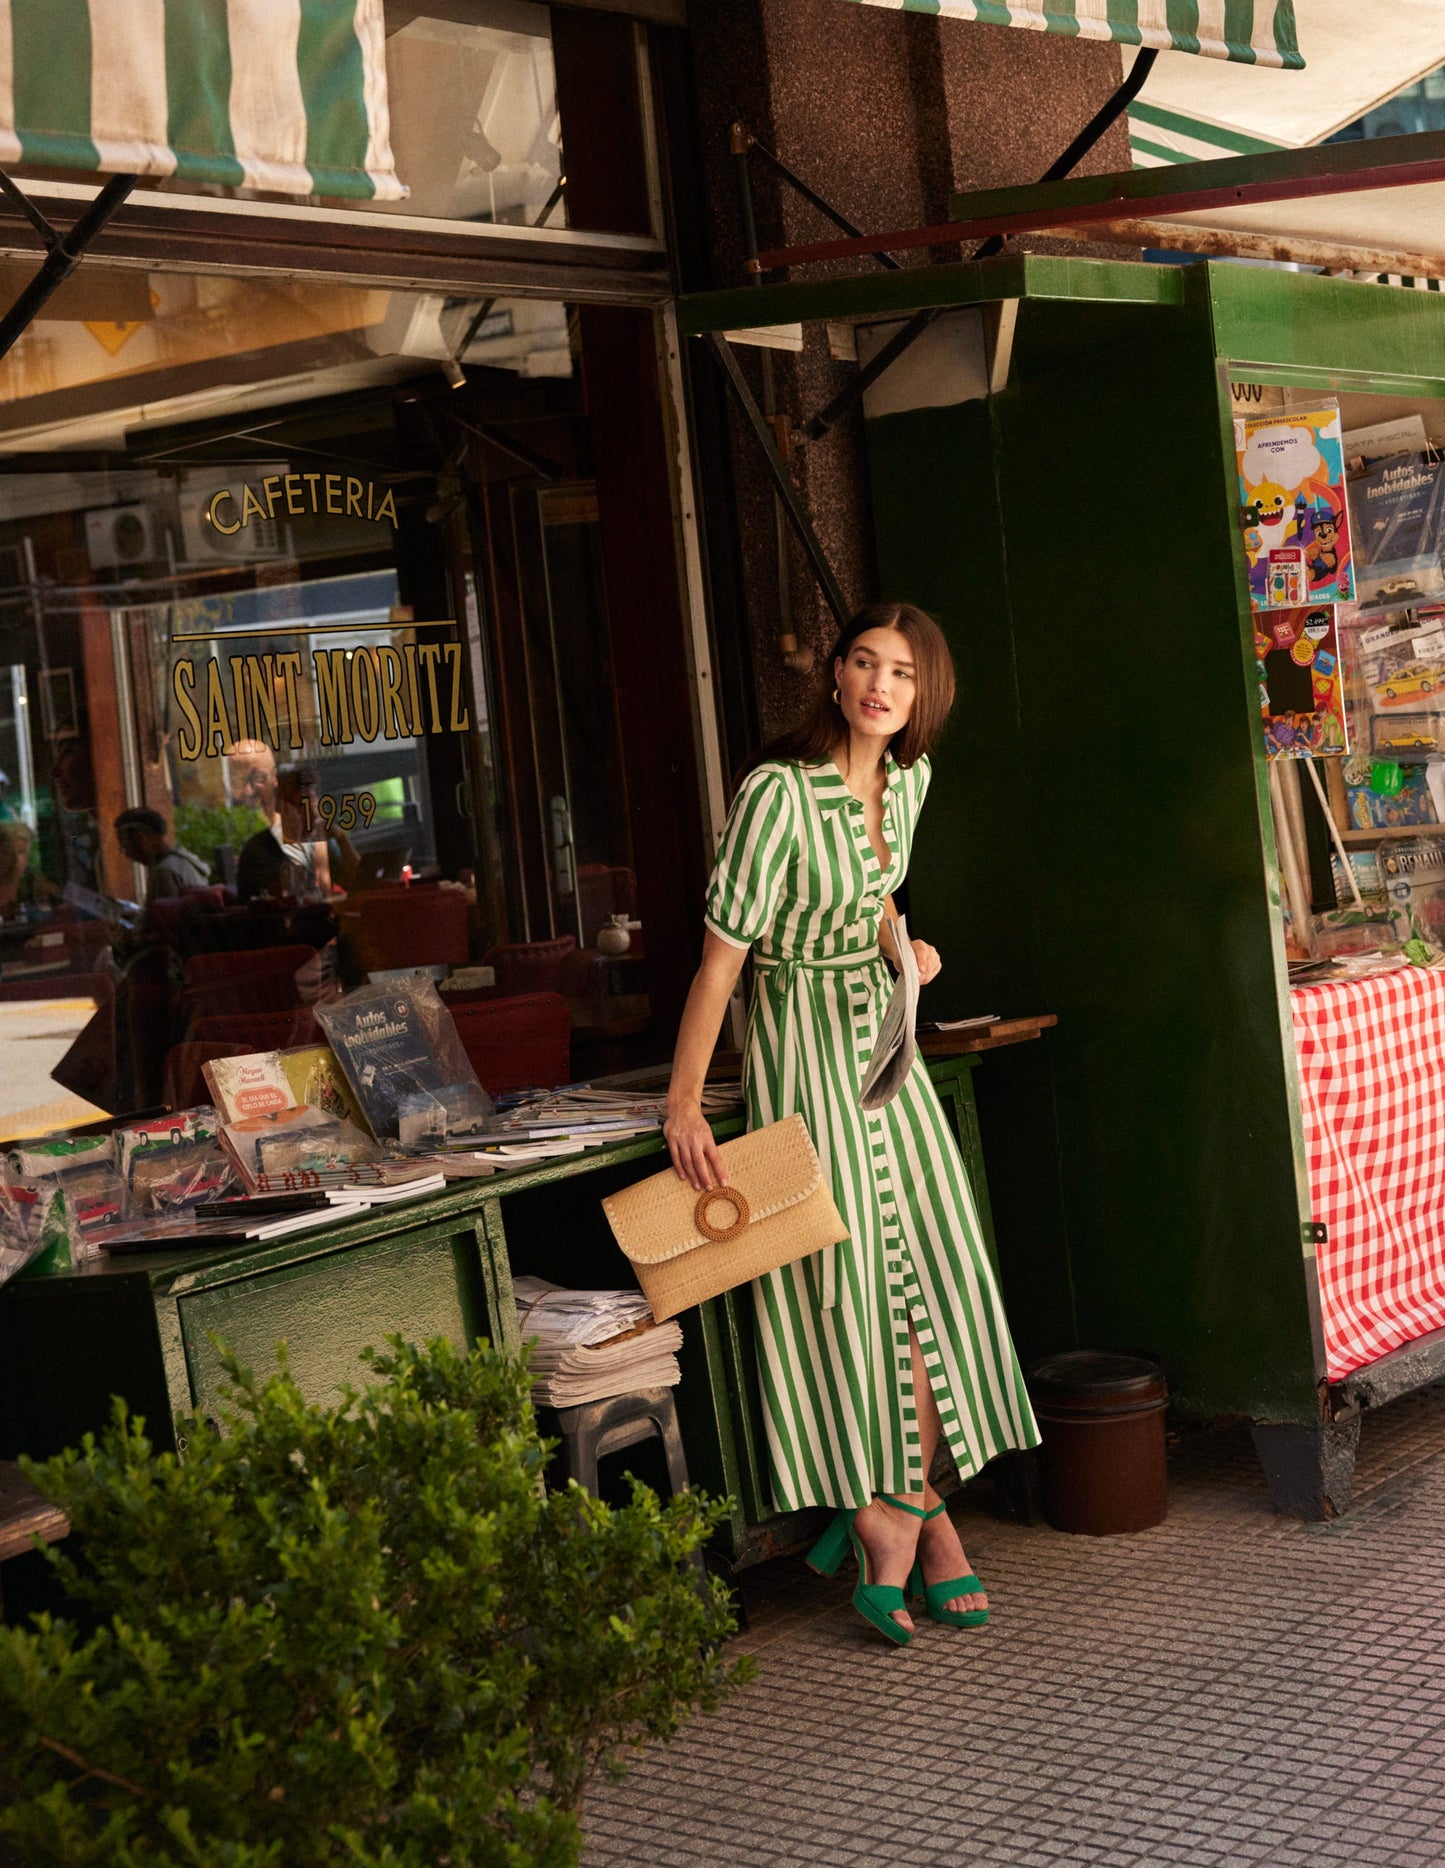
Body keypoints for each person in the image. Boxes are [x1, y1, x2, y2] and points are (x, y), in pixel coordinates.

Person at [665, 600, 1039, 1647]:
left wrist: (900, 952)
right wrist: (685, 1098)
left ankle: (902, 1509)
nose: (880, 684)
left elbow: (876, 896)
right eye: (863, 663)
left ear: (925, 694)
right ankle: (907, 1521)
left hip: (882, 1048)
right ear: (832, 676)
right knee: (852, 1288)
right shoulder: (776, 793)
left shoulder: (909, 780)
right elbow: (721, 958)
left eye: (903, 673)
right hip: (800, 1053)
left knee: (930, 1267)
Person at [236, 764, 359, 903]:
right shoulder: (259, 850)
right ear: (282, 810)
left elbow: (359, 883)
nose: (313, 814)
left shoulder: (318, 841)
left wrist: (342, 840)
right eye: (302, 806)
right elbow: (286, 896)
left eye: (313, 805)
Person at [114, 807, 211, 910]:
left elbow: (163, 922)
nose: (126, 854)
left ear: (141, 838)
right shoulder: (184, 861)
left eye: (125, 845)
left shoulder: (163, 872)